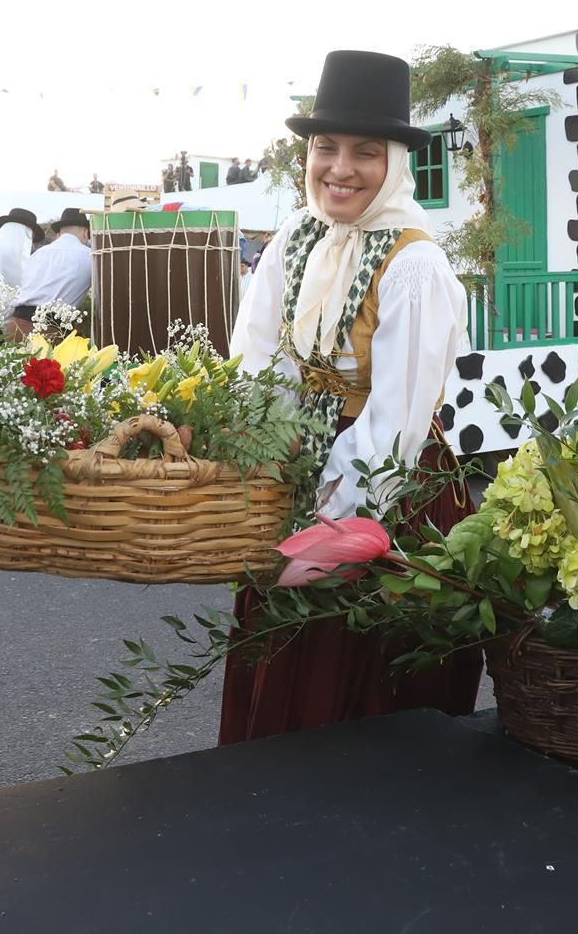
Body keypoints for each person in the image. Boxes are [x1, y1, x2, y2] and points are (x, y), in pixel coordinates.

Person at [217, 48, 478, 744]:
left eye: (365, 151)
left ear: (394, 163)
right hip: (296, 466)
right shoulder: (293, 241)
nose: (339, 167)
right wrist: (263, 456)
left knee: (355, 671)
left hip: (386, 492)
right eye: (325, 147)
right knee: (281, 663)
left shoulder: (414, 263)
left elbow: (395, 421)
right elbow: (256, 356)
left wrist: (325, 530)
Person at [9, 206, 92, 338]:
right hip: (50, 331)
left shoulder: (38, 254)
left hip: (16, 326)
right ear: (85, 233)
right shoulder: (89, 256)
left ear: (59, 234)